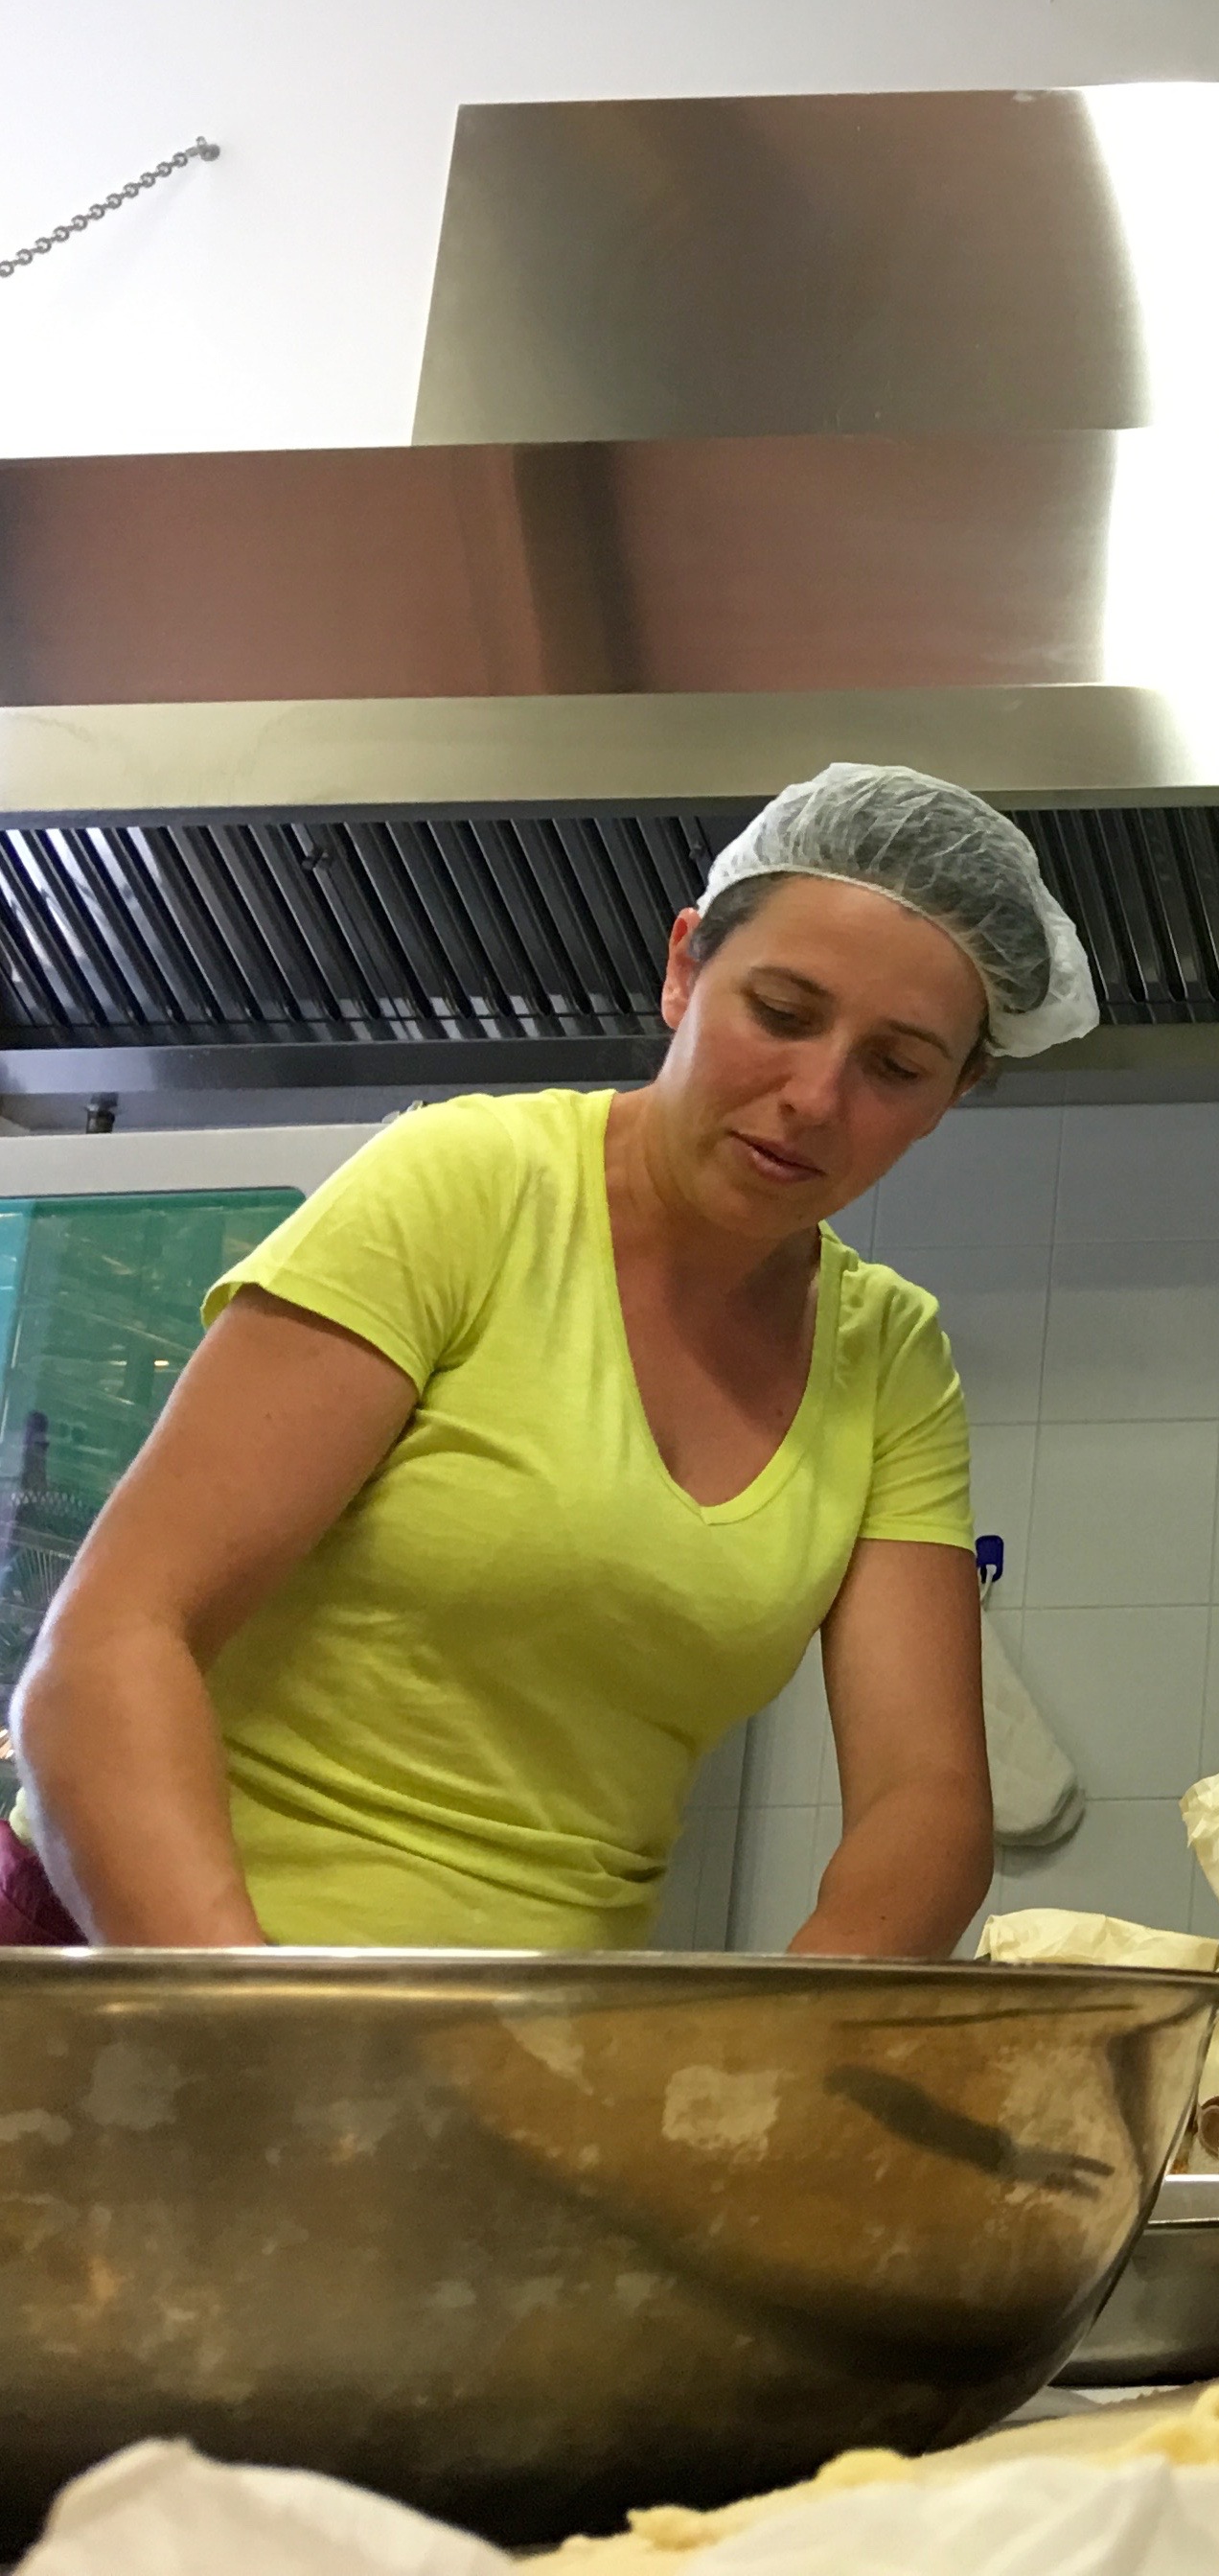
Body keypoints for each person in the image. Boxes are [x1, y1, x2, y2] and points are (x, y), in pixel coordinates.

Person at [3, 762, 1099, 1957]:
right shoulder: (471, 1188)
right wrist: (261, 2037)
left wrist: (775, 2070)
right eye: (780, 1014)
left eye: (895, 1067)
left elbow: (924, 1804)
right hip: (156, 1977)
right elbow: (109, 1644)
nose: (814, 1096)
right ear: (685, 967)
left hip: (531, 2049)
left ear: (956, 1090)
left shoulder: (887, 1356)